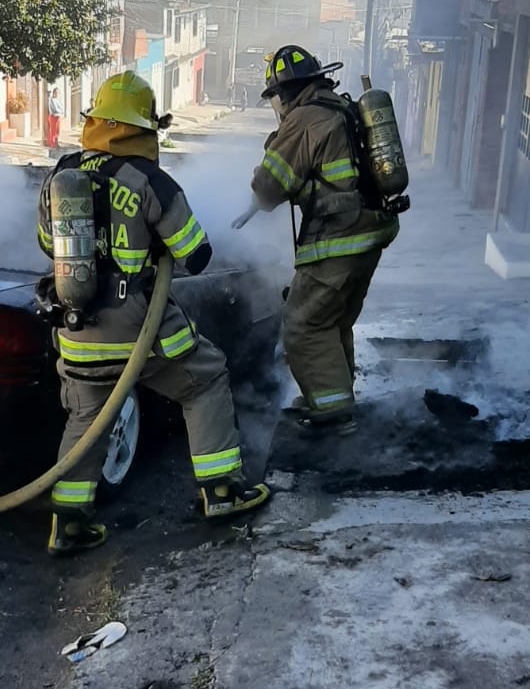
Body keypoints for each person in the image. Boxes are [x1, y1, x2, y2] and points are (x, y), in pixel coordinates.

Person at [38, 70, 269, 555]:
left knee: (86, 418)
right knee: (205, 379)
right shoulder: (152, 181)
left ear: (96, 121)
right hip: (141, 329)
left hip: (78, 330)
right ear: (144, 128)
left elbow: (46, 244)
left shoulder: (62, 177)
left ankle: (69, 523)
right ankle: (222, 489)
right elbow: (196, 255)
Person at [248, 45, 399, 434]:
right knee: (334, 321)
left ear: (286, 92)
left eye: (276, 98)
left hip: (338, 238)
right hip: (369, 232)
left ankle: (333, 413)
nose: (277, 106)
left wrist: (273, 145)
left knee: (304, 325)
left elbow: (268, 188)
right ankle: (333, 396)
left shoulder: (303, 118)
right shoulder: (341, 108)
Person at [47, 85, 63, 155]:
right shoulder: (51, 100)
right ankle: (52, 144)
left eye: (58, 93)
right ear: (53, 93)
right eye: (56, 93)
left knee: (57, 131)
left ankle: (56, 143)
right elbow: (55, 109)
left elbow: (61, 107)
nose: (56, 94)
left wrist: (60, 111)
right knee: (53, 131)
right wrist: (60, 111)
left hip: (58, 116)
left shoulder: (57, 100)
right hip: (53, 116)